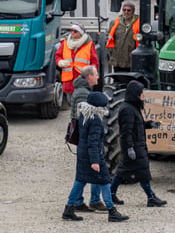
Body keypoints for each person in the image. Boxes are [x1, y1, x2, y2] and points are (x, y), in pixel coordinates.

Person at [62, 92, 129, 223]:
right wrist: (95, 161)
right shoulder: (96, 121)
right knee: (104, 181)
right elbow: (93, 142)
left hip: (82, 154)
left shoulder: (84, 115)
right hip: (93, 157)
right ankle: (112, 211)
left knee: (80, 181)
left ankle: (69, 209)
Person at [110, 80, 167, 208]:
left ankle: (111, 193)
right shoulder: (127, 110)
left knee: (123, 171)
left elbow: (137, 125)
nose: (143, 97)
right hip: (134, 146)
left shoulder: (132, 108)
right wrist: (130, 148)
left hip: (137, 145)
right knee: (142, 170)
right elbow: (126, 131)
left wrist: (150, 124)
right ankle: (151, 197)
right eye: (141, 94)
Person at [68, 66, 106, 213]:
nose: (98, 77)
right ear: (89, 76)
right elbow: (86, 118)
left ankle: (79, 201)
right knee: (91, 169)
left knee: (85, 172)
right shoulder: (84, 94)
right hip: (87, 140)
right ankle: (88, 201)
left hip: (85, 139)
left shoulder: (82, 91)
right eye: (96, 74)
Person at [56, 24, 99, 97]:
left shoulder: (89, 44)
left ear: (81, 33)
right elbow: (58, 56)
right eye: (71, 31)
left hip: (83, 80)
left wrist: (91, 74)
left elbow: (94, 61)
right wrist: (60, 62)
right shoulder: (65, 43)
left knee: (82, 101)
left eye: (75, 31)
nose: (72, 32)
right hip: (68, 81)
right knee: (71, 102)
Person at [106, 2, 140, 72]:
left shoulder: (139, 23)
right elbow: (109, 37)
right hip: (117, 61)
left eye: (129, 10)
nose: (126, 12)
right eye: (124, 10)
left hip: (131, 62)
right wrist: (112, 52)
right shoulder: (115, 22)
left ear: (133, 11)